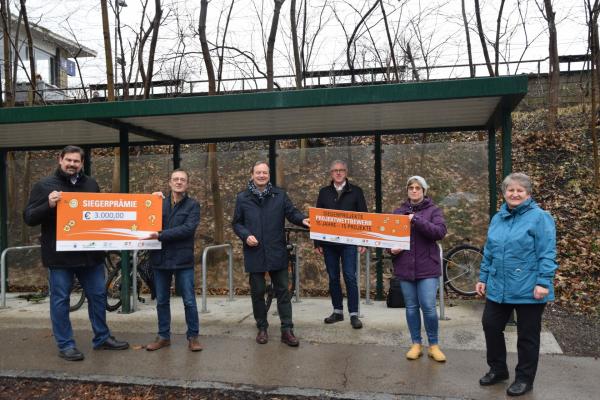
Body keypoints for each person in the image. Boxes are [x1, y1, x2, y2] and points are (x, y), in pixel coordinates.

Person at [23, 145, 129, 361]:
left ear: (82, 163)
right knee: (61, 300)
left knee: (98, 297)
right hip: (60, 258)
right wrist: (49, 204)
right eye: (68, 160)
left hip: (90, 256)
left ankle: (102, 338)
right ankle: (66, 345)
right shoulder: (44, 186)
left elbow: (101, 215)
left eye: (76, 161)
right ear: (60, 160)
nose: (72, 164)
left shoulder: (91, 184)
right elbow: (29, 217)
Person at [476, 172, 557, 397]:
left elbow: (547, 252)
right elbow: (489, 251)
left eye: (520, 190)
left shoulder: (540, 217)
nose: (515, 194)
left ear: (528, 194)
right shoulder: (497, 218)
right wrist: (483, 278)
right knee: (490, 325)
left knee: (527, 336)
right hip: (498, 286)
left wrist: (544, 282)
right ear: (504, 194)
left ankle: (524, 379)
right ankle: (498, 369)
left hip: (530, 288)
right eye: (510, 190)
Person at [232, 161, 310, 347]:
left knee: (283, 292)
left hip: (277, 252)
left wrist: (303, 220)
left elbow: (292, 213)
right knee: (257, 292)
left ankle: (287, 330)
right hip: (255, 252)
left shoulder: (280, 195)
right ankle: (262, 328)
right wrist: (245, 235)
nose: (261, 175)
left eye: (264, 173)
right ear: (252, 175)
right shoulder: (242, 198)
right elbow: (236, 223)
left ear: (269, 175)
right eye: (258, 172)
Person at [144, 169, 202, 352]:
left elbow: (187, 229)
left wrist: (160, 235)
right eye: (175, 179)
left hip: (183, 260)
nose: (179, 182)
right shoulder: (158, 203)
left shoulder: (193, 205)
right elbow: (144, 218)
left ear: (187, 184)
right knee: (161, 301)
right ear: (169, 183)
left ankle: (193, 337)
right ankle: (163, 337)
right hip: (160, 260)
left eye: (182, 180)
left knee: (189, 301)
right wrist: (149, 201)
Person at [390, 176, 447, 362]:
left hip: (427, 268)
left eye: (418, 188)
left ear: (424, 191)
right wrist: (391, 249)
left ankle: (433, 345)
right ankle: (416, 343)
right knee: (412, 308)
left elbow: (440, 232)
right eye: (411, 188)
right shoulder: (398, 212)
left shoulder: (433, 211)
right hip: (405, 267)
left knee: (429, 307)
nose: (414, 191)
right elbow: (387, 236)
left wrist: (417, 220)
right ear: (407, 190)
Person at [314, 160, 367, 329]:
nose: (338, 173)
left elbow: (363, 217)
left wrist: (363, 241)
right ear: (331, 173)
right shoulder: (324, 192)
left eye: (341, 170)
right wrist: (318, 242)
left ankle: (353, 314)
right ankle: (337, 311)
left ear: (346, 172)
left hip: (349, 243)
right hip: (329, 243)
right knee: (333, 277)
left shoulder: (356, 192)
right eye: (335, 170)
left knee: (350, 276)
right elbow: (318, 218)